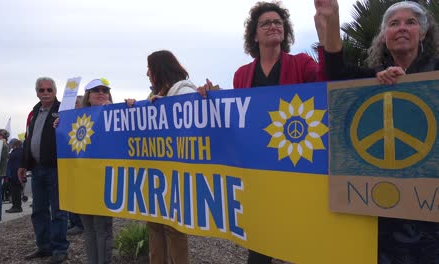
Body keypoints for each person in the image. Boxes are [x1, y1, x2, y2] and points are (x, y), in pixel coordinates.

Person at [199, 1, 325, 263]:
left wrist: (326, 37)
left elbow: (327, 81)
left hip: (294, 166)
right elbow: (237, 117)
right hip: (257, 171)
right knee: (259, 241)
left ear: (285, 30)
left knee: (298, 240)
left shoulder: (302, 63)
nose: (273, 26)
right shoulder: (242, 74)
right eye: (265, 23)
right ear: (254, 35)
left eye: (278, 22)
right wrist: (212, 98)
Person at [315, 0, 439, 263]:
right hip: (383, 213)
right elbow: (336, 73)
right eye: (394, 24)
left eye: (410, 22)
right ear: (385, 36)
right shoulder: (372, 79)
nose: (402, 28)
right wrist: (332, 16)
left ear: (424, 33)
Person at [125, 50, 196, 264]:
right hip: (155, 174)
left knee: (173, 229)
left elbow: (190, 124)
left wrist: (165, 108)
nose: (147, 73)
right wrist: (136, 108)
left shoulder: (183, 89)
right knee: (154, 226)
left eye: (149, 67)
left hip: (175, 174)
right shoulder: (156, 93)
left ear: (159, 68)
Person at [18, 77, 69, 264]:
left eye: (49, 89)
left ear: (55, 91)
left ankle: (60, 249)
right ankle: (44, 247)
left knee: (58, 211)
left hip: (56, 168)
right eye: (41, 90)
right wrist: (23, 164)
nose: (45, 93)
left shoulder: (63, 110)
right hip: (37, 169)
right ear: (37, 92)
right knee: (38, 210)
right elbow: (28, 140)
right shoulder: (33, 113)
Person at [75, 79, 114, 264]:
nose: (101, 93)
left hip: (104, 180)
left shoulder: (117, 114)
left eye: (105, 90)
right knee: (88, 228)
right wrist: (60, 124)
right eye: (96, 90)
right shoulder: (75, 120)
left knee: (102, 229)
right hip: (83, 180)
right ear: (88, 97)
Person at [66, 95, 85, 236]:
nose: (74, 106)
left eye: (77, 103)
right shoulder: (68, 121)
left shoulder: (85, 120)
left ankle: (79, 223)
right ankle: (73, 222)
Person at [5, 138, 24, 213]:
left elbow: (16, 163)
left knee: (15, 191)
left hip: (15, 174)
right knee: (15, 191)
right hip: (14, 174)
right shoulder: (17, 151)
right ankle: (15, 206)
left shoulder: (18, 151)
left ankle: (17, 207)